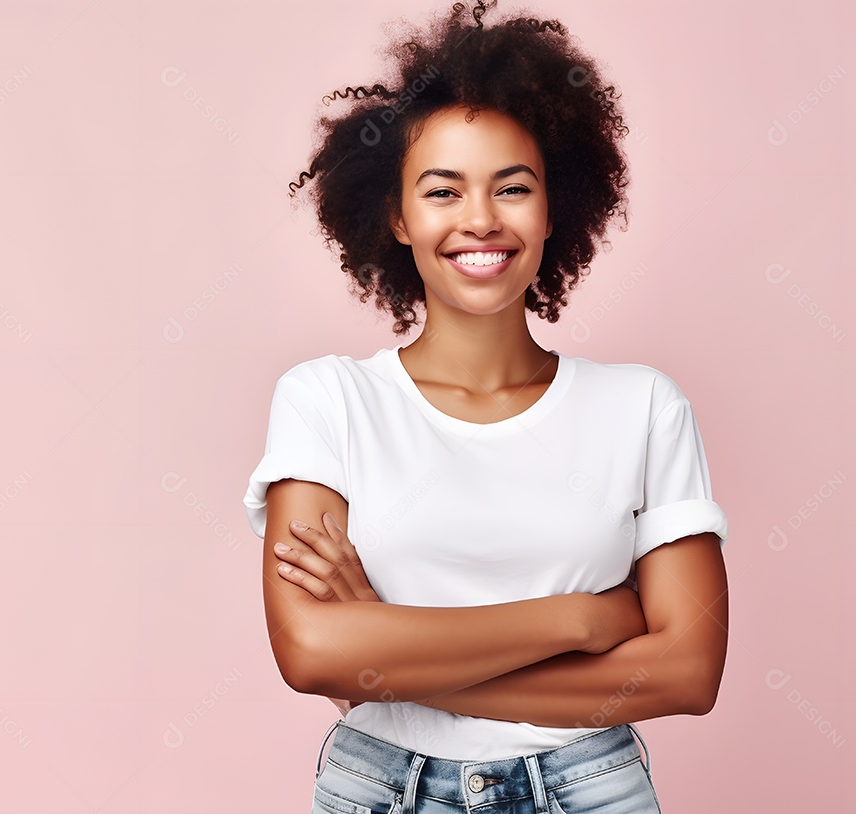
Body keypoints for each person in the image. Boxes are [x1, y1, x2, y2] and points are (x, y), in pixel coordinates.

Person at [243, 2, 729, 812]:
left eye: (512, 188)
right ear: (397, 216)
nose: (479, 220)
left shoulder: (644, 409)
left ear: (552, 209)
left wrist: (392, 657)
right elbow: (312, 650)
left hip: (588, 790)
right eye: (443, 190)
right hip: (381, 790)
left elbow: (687, 671)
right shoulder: (328, 400)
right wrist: (579, 620)